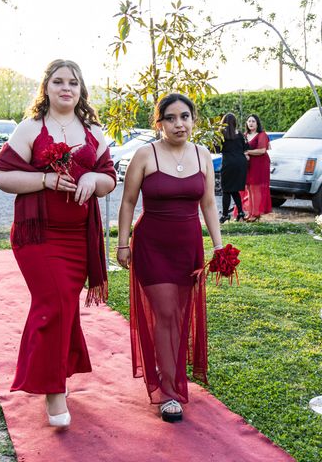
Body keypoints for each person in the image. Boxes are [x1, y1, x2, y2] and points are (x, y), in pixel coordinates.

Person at [0, 59, 116, 428]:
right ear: (46, 87)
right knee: (55, 301)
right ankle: (54, 391)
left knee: (65, 306)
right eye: (59, 81)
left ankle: (54, 372)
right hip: (37, 235)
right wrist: (45, 181)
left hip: (79, 236)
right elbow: (0, 176)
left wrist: (94, 177)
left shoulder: (94, 130)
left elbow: (110, 179)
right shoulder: (30, 128)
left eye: (73, 83)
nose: (66, 88)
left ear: (81, 90)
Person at [116, 93, 223, 423]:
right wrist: (122, 244)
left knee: (177, 315)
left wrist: (218, 248)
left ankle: (171, 371)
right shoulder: (145, 155)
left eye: (185, 117)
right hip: (152, 246)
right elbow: (128, 202)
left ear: (193, 120)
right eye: (171, 118)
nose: (179, 124)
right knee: (164, 312)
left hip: (188, 247)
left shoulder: (203, 155)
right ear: (159, 122)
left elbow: (208, 205)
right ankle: (168, 391)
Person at [218, 113, 248, 223]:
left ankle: (225, 215)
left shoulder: (221, 134)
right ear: (235, 122)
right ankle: (240, 212)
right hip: (241, 163)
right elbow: (246, 147)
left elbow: (216, 149)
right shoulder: (240, 134)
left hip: (229, 163)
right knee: (234, 190)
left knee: (226, 190)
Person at [242, 114, 272, 221]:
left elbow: (262, 150)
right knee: (249, 188)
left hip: (260, 164)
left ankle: (256, 214)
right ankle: (250, 212)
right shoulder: (245, 135)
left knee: (256, 189)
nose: (250, 123)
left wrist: (248, 152)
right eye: (249, 121)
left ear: (257, 123)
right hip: (249, 165)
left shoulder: (261, 135)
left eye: (253, 121)